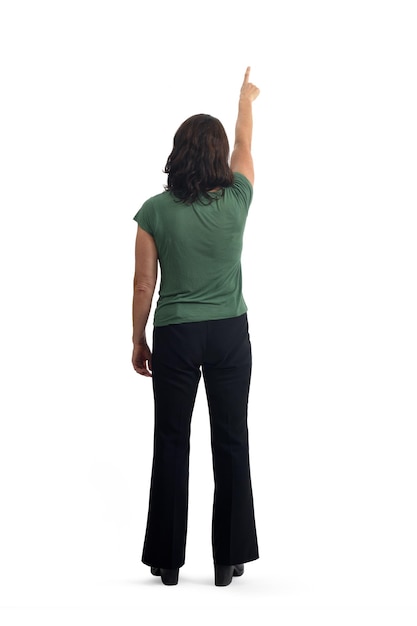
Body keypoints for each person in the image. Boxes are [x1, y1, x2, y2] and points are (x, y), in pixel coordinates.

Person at [131, 67, 260, 587]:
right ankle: (228, 562)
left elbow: (143, 284)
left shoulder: (154, 212)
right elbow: (245, 143)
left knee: (171, 441)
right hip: (230, 333)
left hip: (178, 336)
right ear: (219, 155)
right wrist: (245, 100)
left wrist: (137, 338)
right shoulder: (237, 201)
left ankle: (167, 562)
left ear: (178, 153)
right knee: (231, 440)